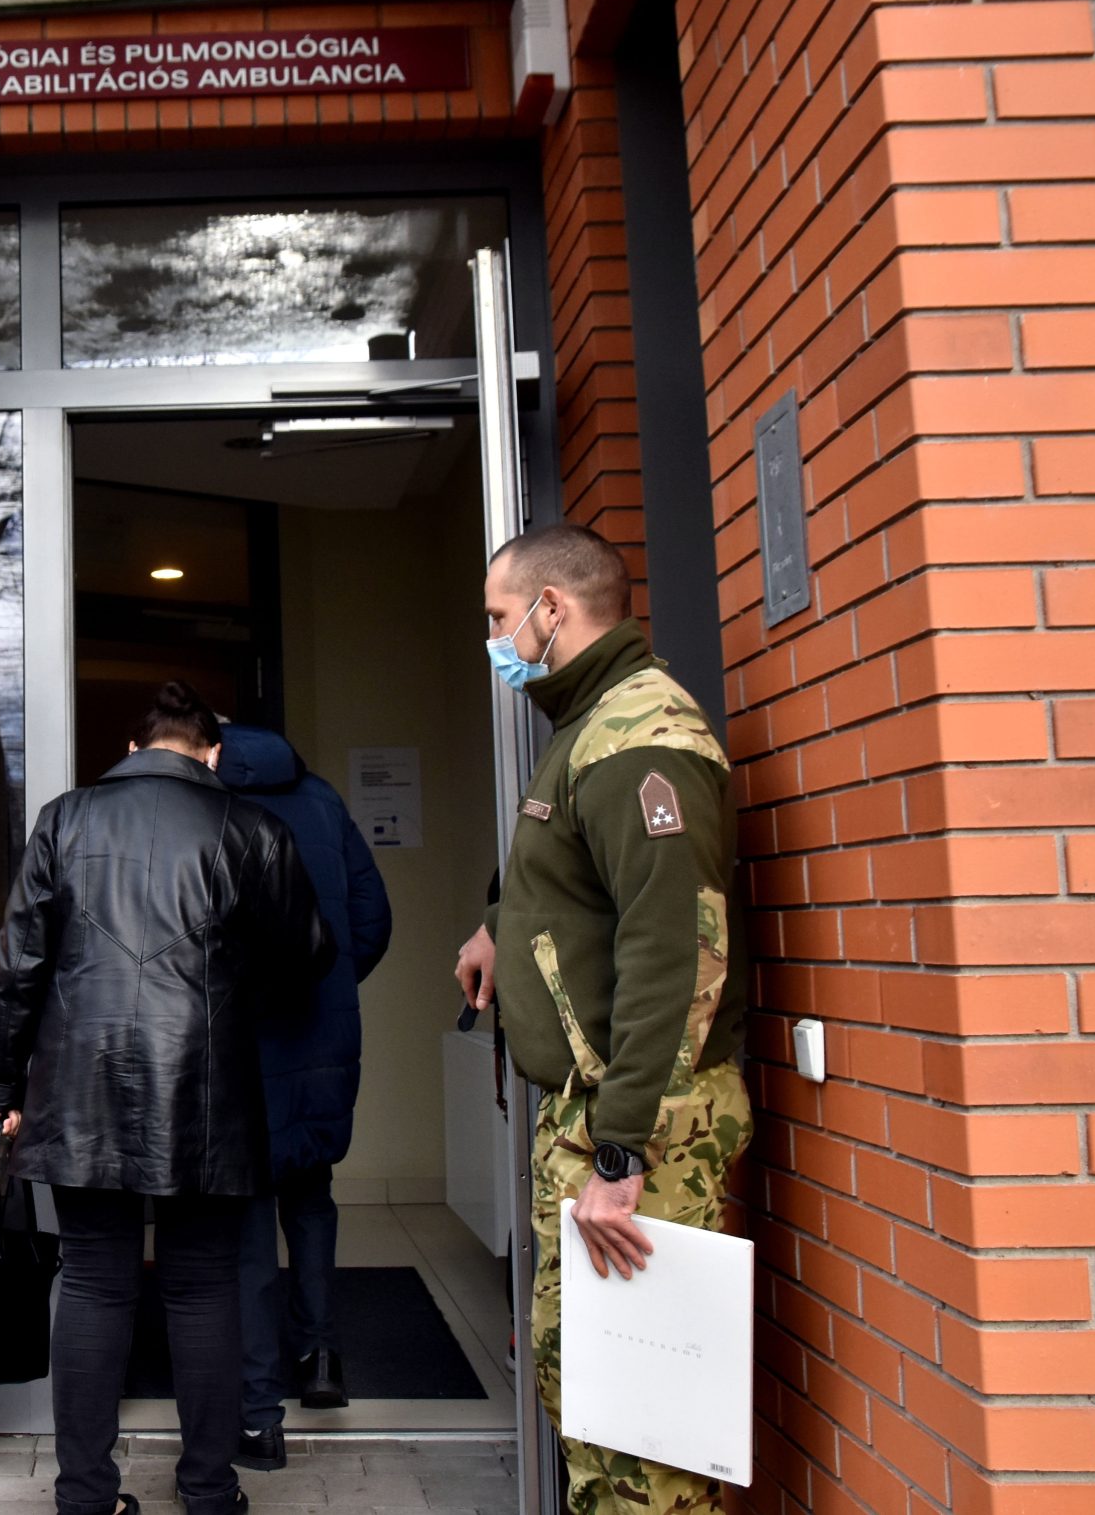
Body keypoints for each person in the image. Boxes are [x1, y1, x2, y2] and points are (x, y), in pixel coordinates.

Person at [452, 523, 751, 1515]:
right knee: (586, 1390)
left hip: (642, 1131)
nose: (493, 640)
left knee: (640, 1438)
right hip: (599, 1115)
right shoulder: (589, 723)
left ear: (551, 608)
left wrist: (621, 1152)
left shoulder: (637, 738)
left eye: (499, 616)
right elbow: (582, 884)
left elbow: (675, 951)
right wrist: (501, 926)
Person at [0, 681, 334, 1515]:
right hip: (204, 1087)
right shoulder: (252, 827)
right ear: (213, 754)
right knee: (204, 1286)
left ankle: (84, 1496)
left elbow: (18, 966)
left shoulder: (64, 820)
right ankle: (209, 1489)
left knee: (94, 1281)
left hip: (81, 1088)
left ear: (133, 749)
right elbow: (308, 954)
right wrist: (233, 981)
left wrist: (1, 1084)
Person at [212, 720, 392, 1469]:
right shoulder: (321, 799)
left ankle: (259, 1403)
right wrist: (331, 983)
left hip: (241, 1040)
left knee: (249, 1221)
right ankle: (320, 1358)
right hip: (321, 1035)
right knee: (312, 1196)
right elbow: (372, 917)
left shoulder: (211, 804)